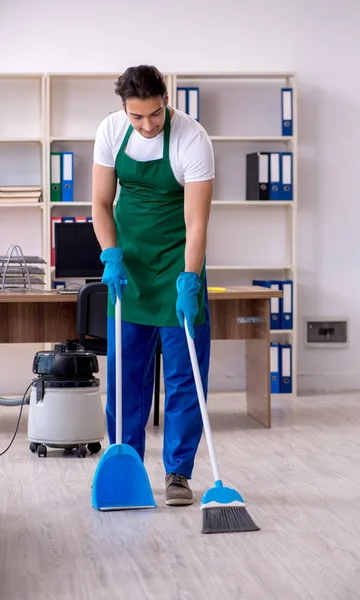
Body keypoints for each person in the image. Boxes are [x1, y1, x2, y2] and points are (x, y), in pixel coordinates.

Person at [92, 65, 214, 506]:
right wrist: (110, 253)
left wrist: (188, 279)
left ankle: (178, 475)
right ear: (124, 109)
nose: (146, 125)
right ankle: (127, 465)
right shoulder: (110, 130)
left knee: (186, 376)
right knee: (126, 376)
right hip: (130, 269)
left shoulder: (192, 139)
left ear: (166, 100)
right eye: (137, 117)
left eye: (155, 115)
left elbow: (197, 220)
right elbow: (102, 203)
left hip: (179, 265)